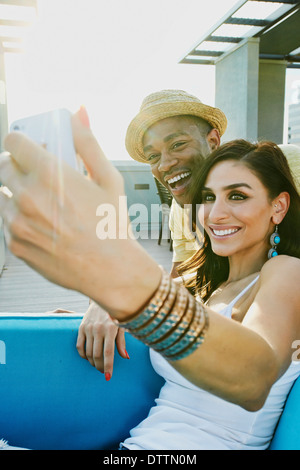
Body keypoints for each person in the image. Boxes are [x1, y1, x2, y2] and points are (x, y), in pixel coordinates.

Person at [0, 111, 300, 450]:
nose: (215, 214)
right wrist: (101, 305)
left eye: (237, 196)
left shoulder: (286, 273)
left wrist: (121, 281)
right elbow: (162, 314)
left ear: (278, 207)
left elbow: (253, 378)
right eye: (207, 197)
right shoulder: (201, 284)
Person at [76, 90, 227, 377]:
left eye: (178, 144)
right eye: (153, 156)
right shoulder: (182, 213)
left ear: (213, 141)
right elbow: (183, 285)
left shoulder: (285, 168)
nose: (165, 164)